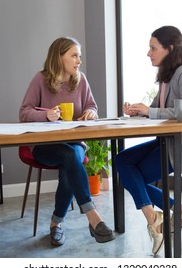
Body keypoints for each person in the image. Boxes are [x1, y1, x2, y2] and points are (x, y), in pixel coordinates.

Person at [115, 26, 182, 255]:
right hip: (167, 142)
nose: (148, 53)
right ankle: (172, 211)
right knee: (122, 161)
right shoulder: (166, 76)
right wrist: (138, 111)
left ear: (169, 49)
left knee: (130, 175)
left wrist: (150, 112)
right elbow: (158, 109)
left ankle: (156, 220)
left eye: (153, 48)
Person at [19, 37, 115, 246]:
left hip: (74, 143)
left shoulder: (80, 80)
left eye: (79, 55)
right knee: (70, 159)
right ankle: (92, 217)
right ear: (59, 57)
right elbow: (24, 112)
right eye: (74, 55)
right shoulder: (40, 80)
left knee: (71, 158)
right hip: (45, 146)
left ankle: (56, 225)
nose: (79, 60)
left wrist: (90, 112)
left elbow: (92, 107)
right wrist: (46, 116)